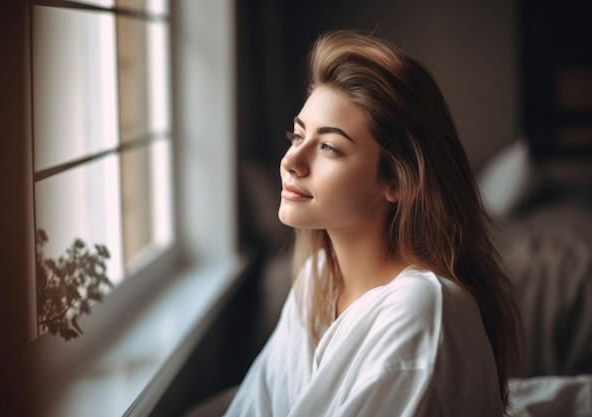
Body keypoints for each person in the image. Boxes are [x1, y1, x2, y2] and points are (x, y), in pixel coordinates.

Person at [224, 29, 522, 417]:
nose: (291, 162)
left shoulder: (420, 312)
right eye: (297, 136)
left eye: (329, 147)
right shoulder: (317, 280)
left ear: (396, 181)